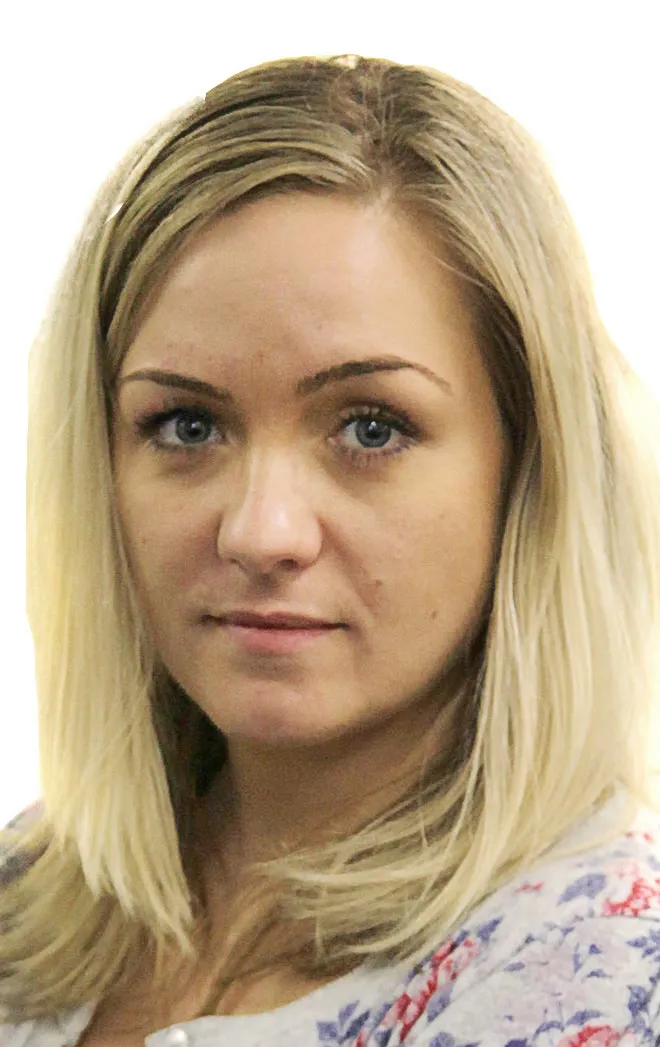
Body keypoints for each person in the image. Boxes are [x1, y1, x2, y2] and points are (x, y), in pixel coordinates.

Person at [2, 52, 660, 1047]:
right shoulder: (33, 888)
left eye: (370, 428)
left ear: (528, 467)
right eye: (186, 425)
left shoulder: (598, 976)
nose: (261, 531)